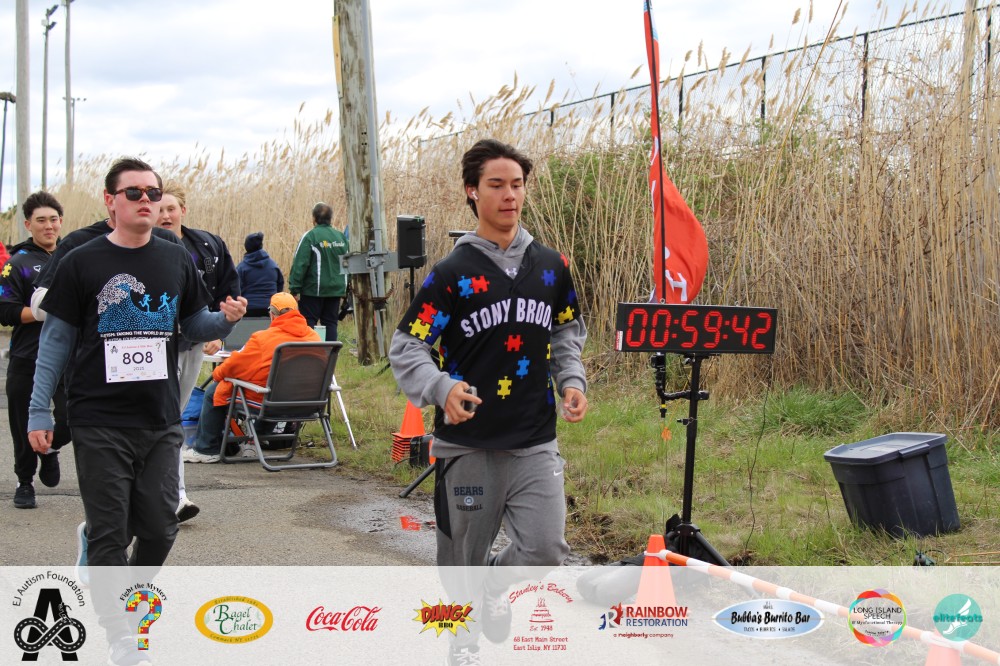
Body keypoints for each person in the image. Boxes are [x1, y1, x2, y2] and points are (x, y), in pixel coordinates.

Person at [27, 157, 246, 663]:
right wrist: (40, 411)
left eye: (153, 192)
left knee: (160, 527)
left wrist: (225, 321)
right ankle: (121, 635)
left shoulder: (174, 257)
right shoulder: (81, 260)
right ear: (111, 201)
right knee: (110, 534)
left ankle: (121, 594)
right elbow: (55, 342)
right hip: (98, 419)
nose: (146, 200)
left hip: (160, 418)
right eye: (134, 193)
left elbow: (193, 324)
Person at [388, 138, 588, 664]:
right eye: (496, 185)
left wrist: (572, 380)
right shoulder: (452, 273)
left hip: (533, 439)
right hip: (468, 444)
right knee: (462, 559)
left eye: (517, 184)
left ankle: (496, 586)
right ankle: (464, 642)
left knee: (546, 549)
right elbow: (408, 346)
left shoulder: (551, 266)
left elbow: (566, 332)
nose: (509, 195)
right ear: (472, 192)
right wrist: (441, 387)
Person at [155, 181, 241, 522]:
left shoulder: (207, 246)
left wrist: (218, 329)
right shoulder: (140, 245)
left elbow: (227, 290)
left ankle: (171, 494)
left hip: (191, 344)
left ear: (183, 211)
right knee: (164, 418)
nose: (165, 215)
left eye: (171, 209)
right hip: (152, 347)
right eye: (159, 209)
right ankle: (174, 496)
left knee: (173, 416)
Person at [183, 292, 320, 463]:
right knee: (274, 392)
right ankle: (254, 440)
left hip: (270, 403)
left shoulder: (263, 339)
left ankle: (206, 449)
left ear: (272, 314)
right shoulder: (314, 337)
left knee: (213, 392)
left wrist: (217, 375)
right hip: (307, 404)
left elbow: (234, 366)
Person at [0, 191, 70, 509]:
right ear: (29, 225)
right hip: (27, 356)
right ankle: (25, 481)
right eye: (41, 220)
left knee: (71, 416)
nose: (48, 226)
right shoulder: (18, 264)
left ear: (61, 222)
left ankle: (51, 448)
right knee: (21, 423)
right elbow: (5, 311)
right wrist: (42, 312)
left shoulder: (73, 257)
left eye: (53, 219)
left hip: (68, 357)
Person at [288, 202, 348, 341]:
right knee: (331, 323)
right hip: (335, 291)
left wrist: (294, 289)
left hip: (313, 291)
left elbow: (300, 264)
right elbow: (348, 264)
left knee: (309, 323)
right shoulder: (341, 238)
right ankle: (331, 353)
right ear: (330, 219)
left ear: (314, 218)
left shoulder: (310, 237)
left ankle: (310, 352)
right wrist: (345, 289)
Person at [237, 231, 284, 317]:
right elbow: (280, 285)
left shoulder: (241, 267)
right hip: (271, 308)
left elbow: (237, 289)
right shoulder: (273, 265)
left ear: (247, 247)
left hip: (249, 308)